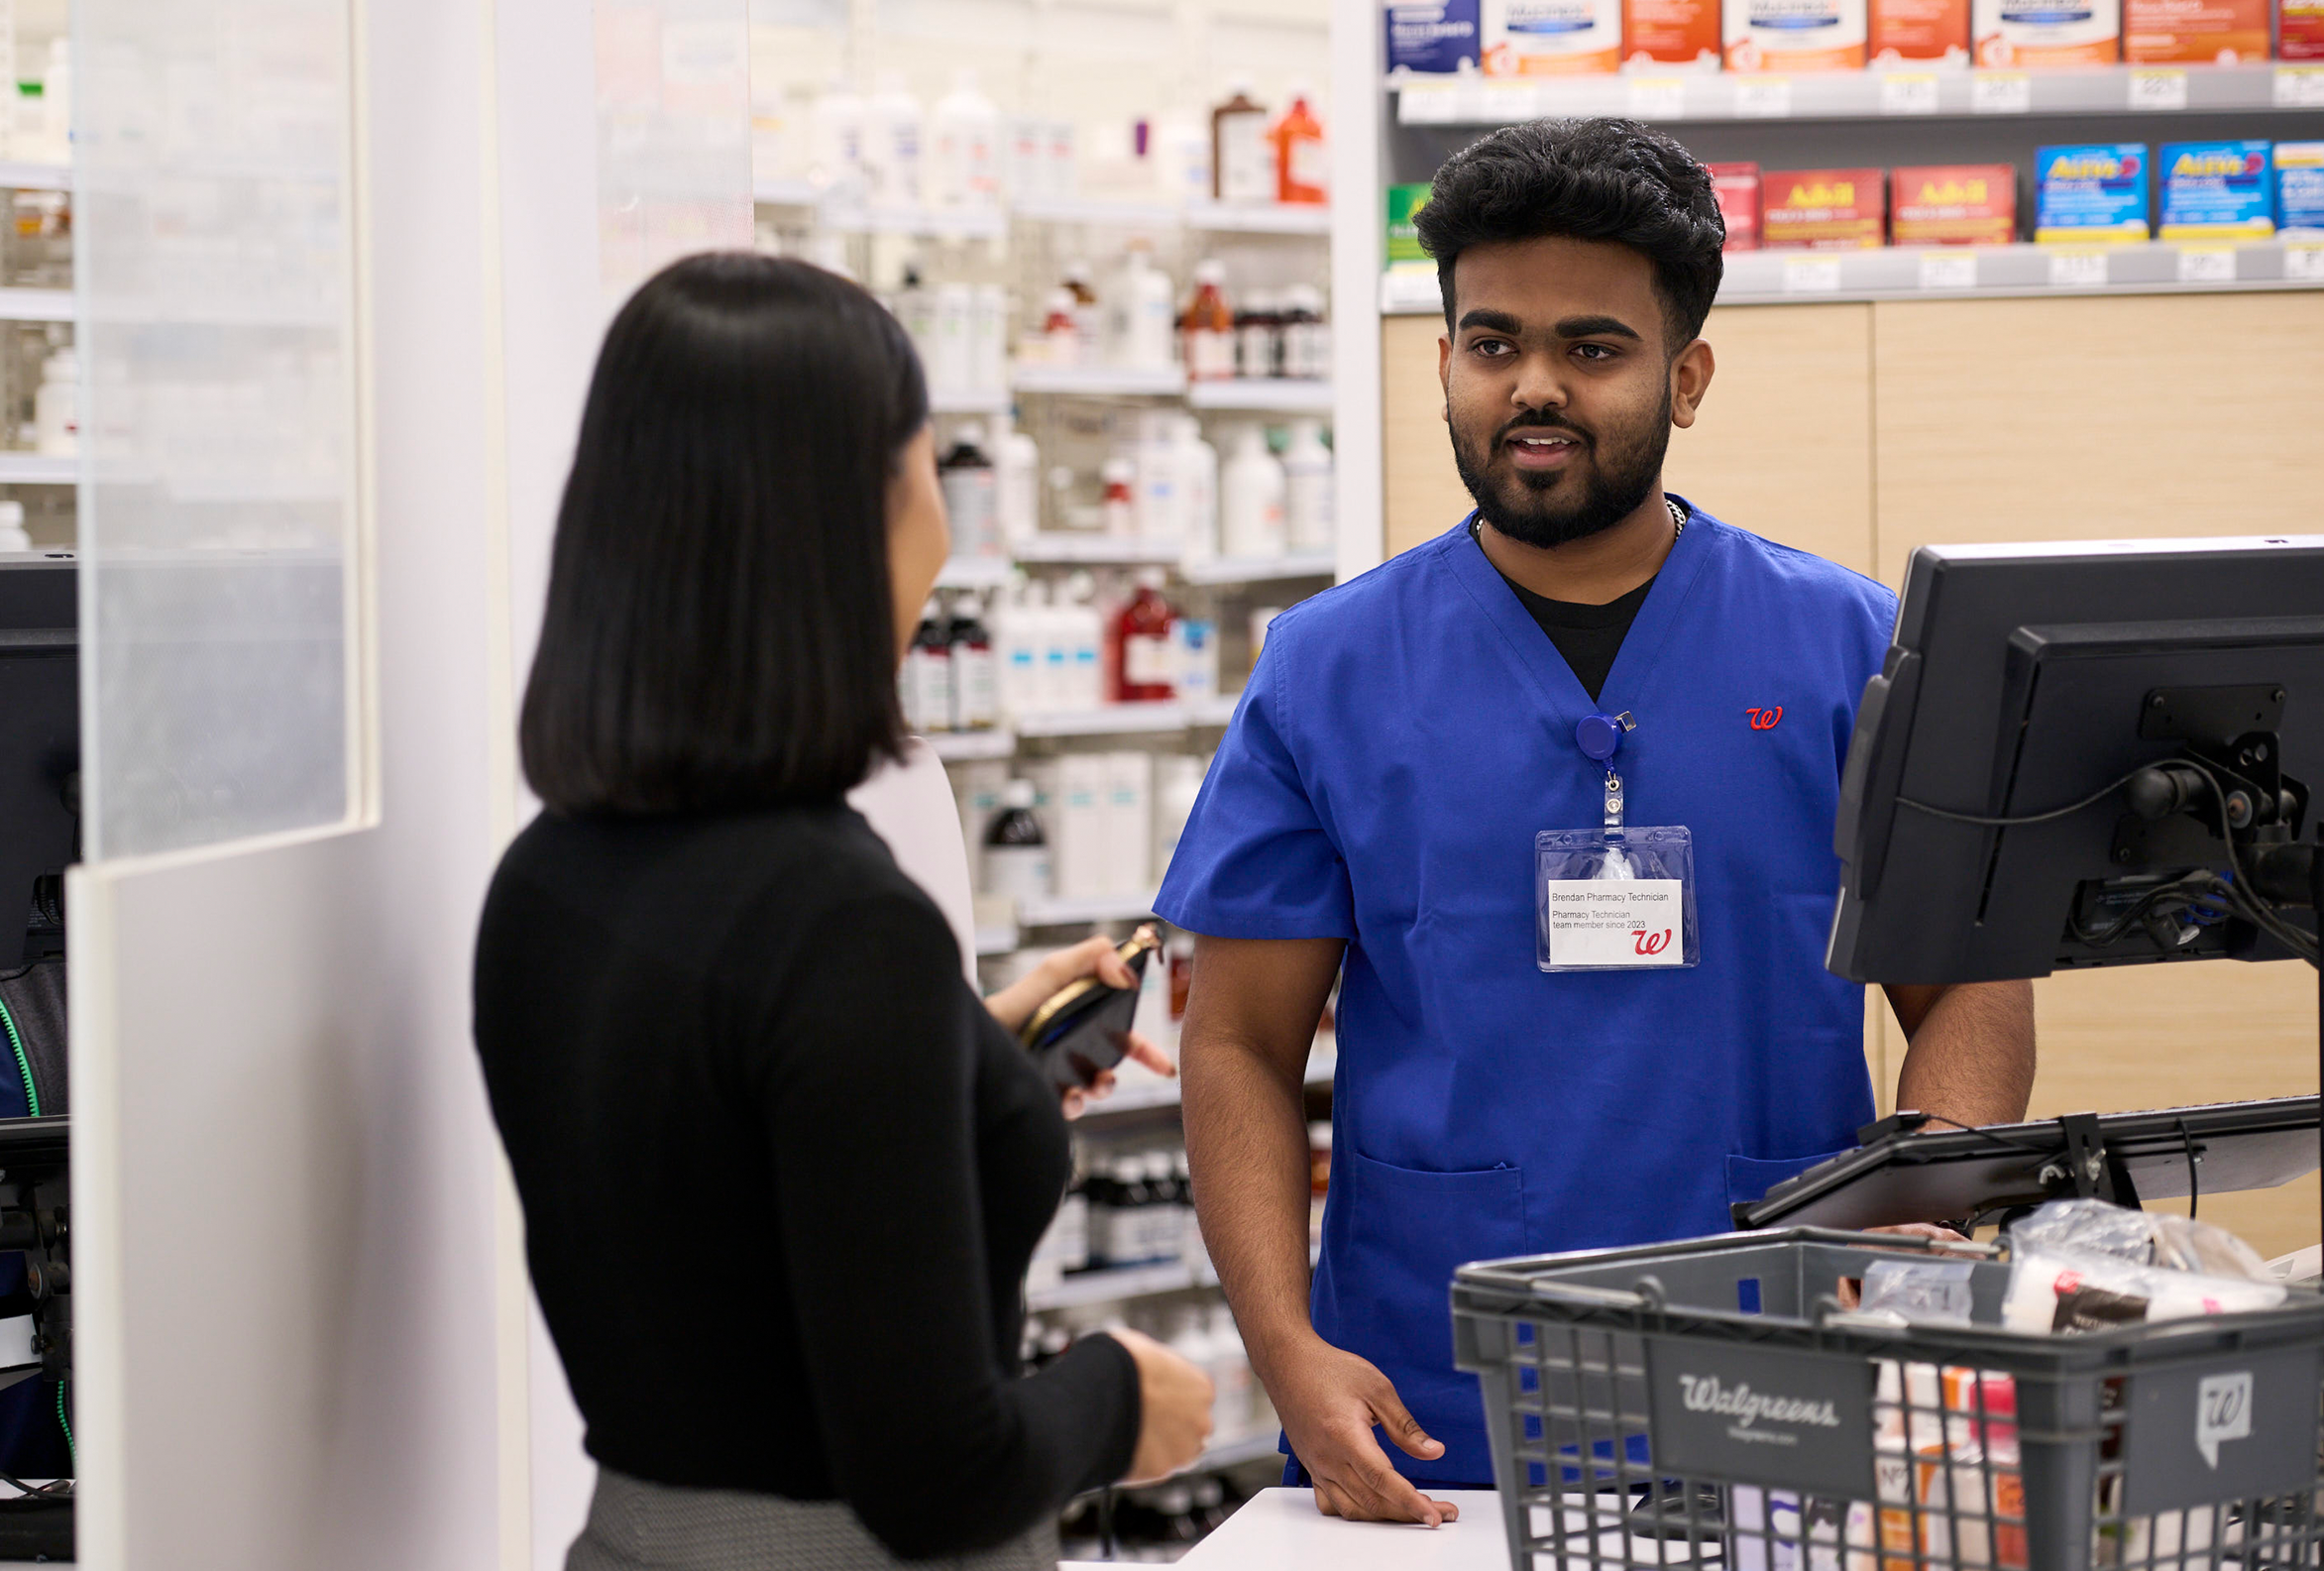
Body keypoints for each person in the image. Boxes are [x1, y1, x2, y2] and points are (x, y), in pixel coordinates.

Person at [1156, 119, 2037, 1526]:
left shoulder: (1847, 648)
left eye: (1593, 347)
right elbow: (1238, 1043)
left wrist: (1909, 1241)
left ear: (1684, 378)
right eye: (1490, 343)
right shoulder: (1327, 668)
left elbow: (1968, 991)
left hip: (1788, 1367)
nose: (1534, 388)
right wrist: (1284, 1351)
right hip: (1430, 1408)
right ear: (1441, 360)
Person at [475, 253, 1212, 1570]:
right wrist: (1119, 1398)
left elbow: (719, 1170)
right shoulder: (838, 923)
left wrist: (961, 1054)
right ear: (853, 515)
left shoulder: (550, 874)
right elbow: (937, 1475)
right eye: (925, 461)